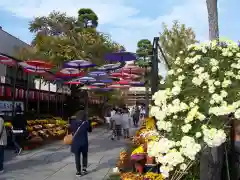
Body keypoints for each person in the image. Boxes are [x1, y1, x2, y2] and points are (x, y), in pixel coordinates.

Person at [70, 108, 92, 177]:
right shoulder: (86, 123)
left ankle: (78, 171)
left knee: (77, 157)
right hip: (84, 142)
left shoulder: (73, 122)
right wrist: (89, 122)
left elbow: (71, 129)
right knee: (84, 155)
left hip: (76, 143)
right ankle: (84, 169)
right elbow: (90, 130)